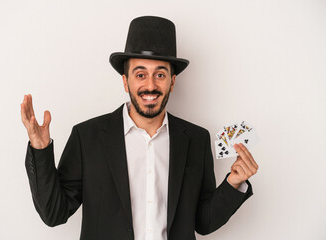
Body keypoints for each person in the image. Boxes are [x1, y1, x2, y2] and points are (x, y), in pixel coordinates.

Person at [21, 16, 258, 240]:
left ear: (172, 82)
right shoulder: (88, 137)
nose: (150, 85)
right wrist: (40, 149)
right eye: (140, 74)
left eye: (160, 74)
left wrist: (233, 184)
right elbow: (54, 214)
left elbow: (203, 223)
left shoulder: (196, 139)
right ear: (125, 81)